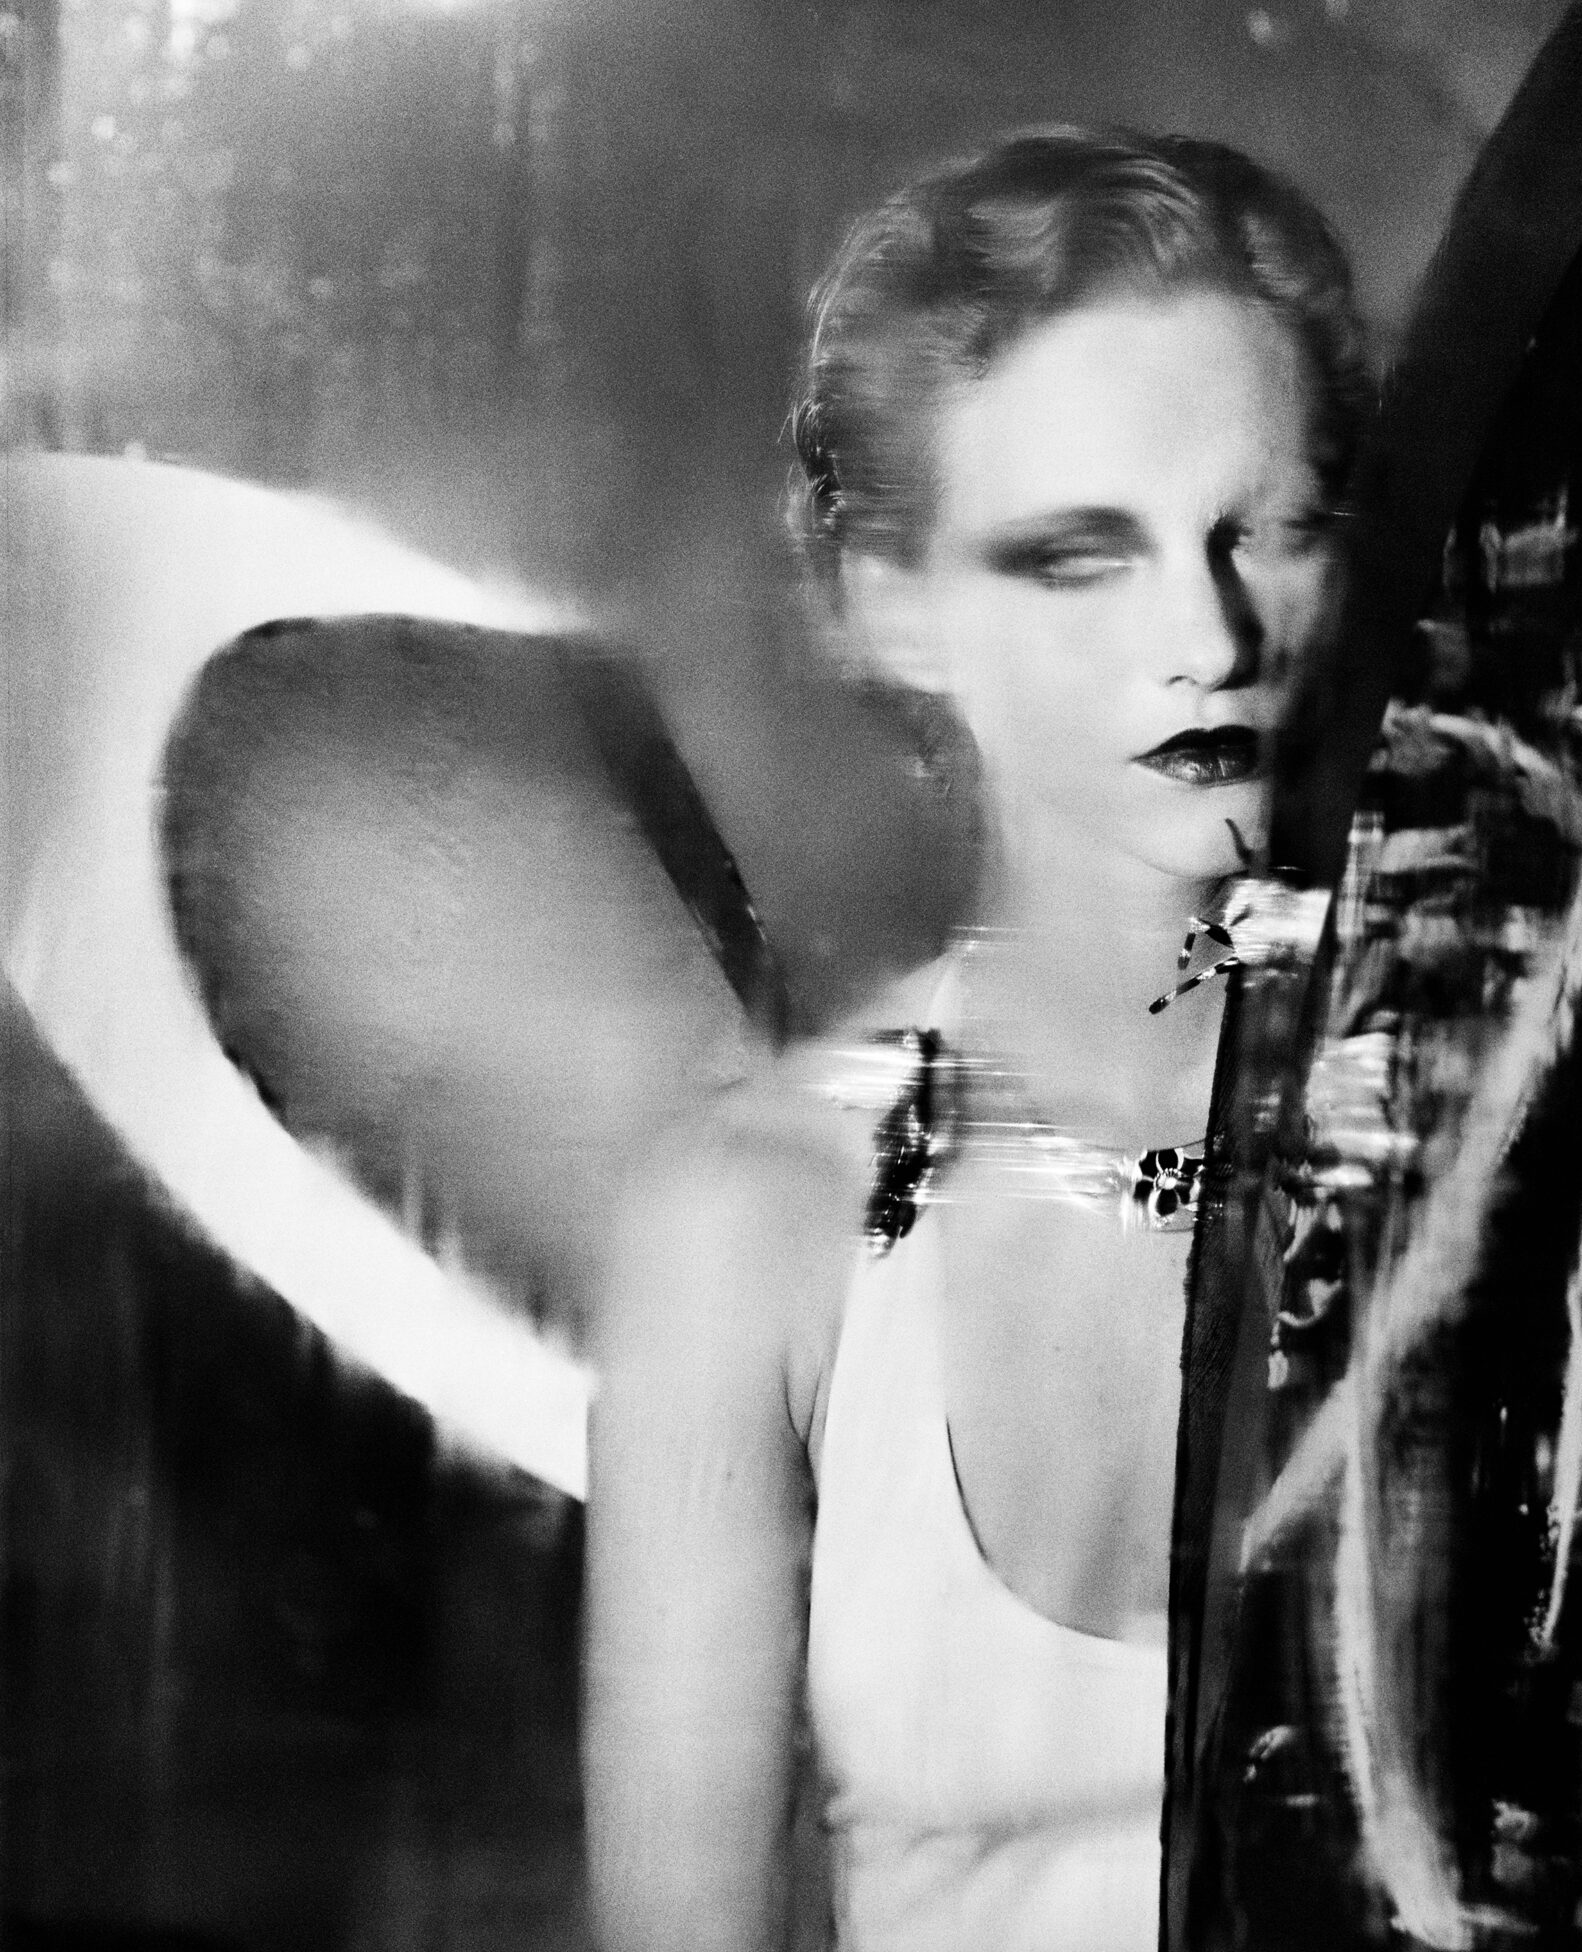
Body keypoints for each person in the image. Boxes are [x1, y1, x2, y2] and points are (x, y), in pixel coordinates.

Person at [583, 125, 1372, 1952]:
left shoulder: (1532, 1121)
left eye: (1272, 531)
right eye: (1079, 558)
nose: (1210, 634)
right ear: (897, 606)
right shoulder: (760, 1218)